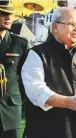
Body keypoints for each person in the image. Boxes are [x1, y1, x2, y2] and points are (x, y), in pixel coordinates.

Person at [21, 7, 76, 138]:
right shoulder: (37, 54)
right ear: (55, 27)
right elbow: (35, 90)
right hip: (47, 131)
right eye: (71, 24)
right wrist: (68, 102)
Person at [0, 1, 31, 138]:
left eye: (10, 14)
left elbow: (27, 78)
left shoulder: (20, 44)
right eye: (3, 14)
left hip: (10, 111)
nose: (9, 18)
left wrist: (20, 101)